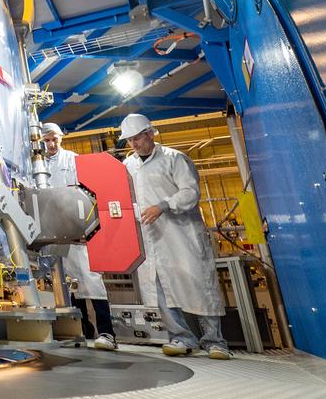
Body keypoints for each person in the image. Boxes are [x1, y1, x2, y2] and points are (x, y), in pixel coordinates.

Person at [119, 113, 230, 359]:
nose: (134, 144)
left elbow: (190, 192)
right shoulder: (128, 166)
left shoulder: (174, 158)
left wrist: (164, 205)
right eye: (130, 140)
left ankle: (215, 341)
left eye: (138, 138)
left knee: (198, 283)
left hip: (182, 234)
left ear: (150, 133)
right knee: (160, 287)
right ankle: (181, 338)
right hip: (151, 236)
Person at [39, 122, 117, 351]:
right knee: (64, 281)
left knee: (90, 278)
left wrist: (86, 226)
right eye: (46, 141)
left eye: (54, 139)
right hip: (51, 232)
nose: (51, 145)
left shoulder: (73, 160)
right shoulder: (36, 164)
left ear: (61, 138)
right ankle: (82, 330)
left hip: (76, 229)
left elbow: (88, 193)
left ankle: (106, 332)